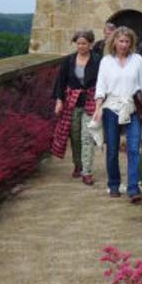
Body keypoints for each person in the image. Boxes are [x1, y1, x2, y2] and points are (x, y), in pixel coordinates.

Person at [93, 25, 142, 202]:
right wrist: (97, 108)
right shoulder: (106, 62)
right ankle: (113, 184)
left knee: (134, 148)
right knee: (112, 149)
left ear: (131, 43)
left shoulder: (137, 60)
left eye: (127, 41)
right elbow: (101, 87)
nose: (124, 45)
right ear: (114, 42)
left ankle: (133, 188)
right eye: (121, 41)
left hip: (132, 107)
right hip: (111, 107)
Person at [50, 30, 102, 184]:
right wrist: (59, 101)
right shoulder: (69, 60)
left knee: (87, 137)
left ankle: (87, 171)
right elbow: (61, 81)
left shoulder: (98, 60)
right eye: (78, 43)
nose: (81, 46)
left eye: (84, 43)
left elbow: (103, 81)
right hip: (72, 103)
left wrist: (101, 102)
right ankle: (78, 165)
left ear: (90, 44)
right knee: (75, 137)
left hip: (91, 102)